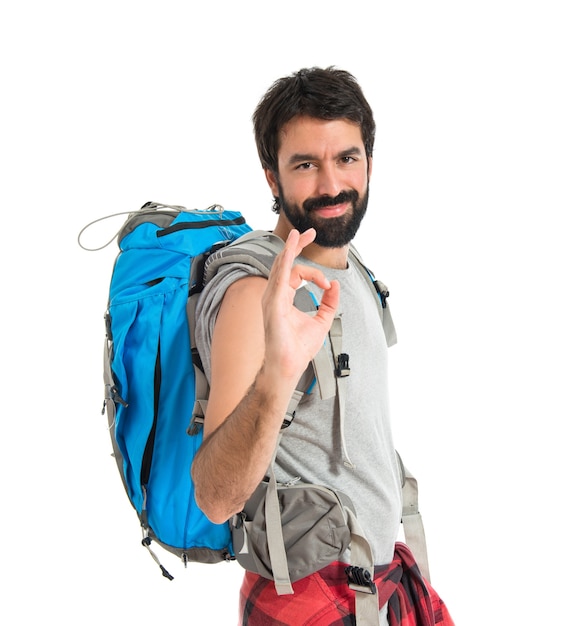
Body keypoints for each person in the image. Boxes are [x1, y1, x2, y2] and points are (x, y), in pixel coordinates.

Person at [191, 67, 454, 626]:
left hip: (378, 584)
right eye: (305, 164)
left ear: (370, 163)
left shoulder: (349, 263)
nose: (332, 185)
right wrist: (277, 374)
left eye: (347, 158)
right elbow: (215, 497)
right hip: (308, 600)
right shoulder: (255, 292)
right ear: (271, 177)